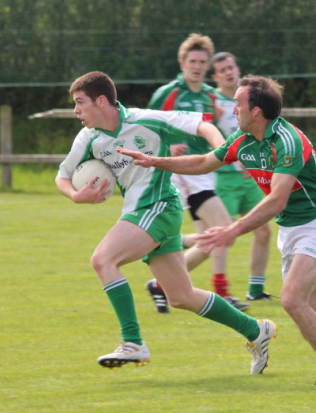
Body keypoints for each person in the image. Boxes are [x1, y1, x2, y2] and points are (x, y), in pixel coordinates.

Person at [118, 75, 316, 387]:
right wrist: (154, 161)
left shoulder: (287, 141)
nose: (232, 109)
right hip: (291, 231)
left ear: (257, 112)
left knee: (291, 300)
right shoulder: (243, 140)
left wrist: (232, 230)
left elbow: (277, 199)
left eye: (238, 103)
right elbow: (202, 163)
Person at [55, 71, 277, 373]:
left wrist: (220, 151)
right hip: (142, 211)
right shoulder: (89, 138)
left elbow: (202, 125)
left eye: (80, 103)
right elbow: (63, 175)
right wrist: (76, 196)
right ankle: (256, 330)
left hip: (157, 206)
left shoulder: (144, 119)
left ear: (102, 100)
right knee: (181, 296)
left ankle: (132, 342)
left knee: (102, 260)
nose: (76, 111)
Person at [146, 33, 248, 312]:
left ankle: (160, 285)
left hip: (205, 172)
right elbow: (145, 129)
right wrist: (167, 148)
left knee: (209, 241)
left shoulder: (209, 96)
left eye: (203, 61)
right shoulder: (168, 94)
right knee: (225, 226)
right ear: (182, 62)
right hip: (183, 173)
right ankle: (220, 292)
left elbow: (217, 131)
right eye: (192, 61)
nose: (197, 66)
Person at [210, 52, 272, 301]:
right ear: (215, 76)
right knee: (221, 236)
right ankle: (163, 284)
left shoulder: (248, 100)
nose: (228, 72)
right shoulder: (210, 101)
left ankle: (255, 290)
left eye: (231, 67)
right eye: (222, 69)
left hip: (250, 178)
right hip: (224, 178)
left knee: (264, 231)